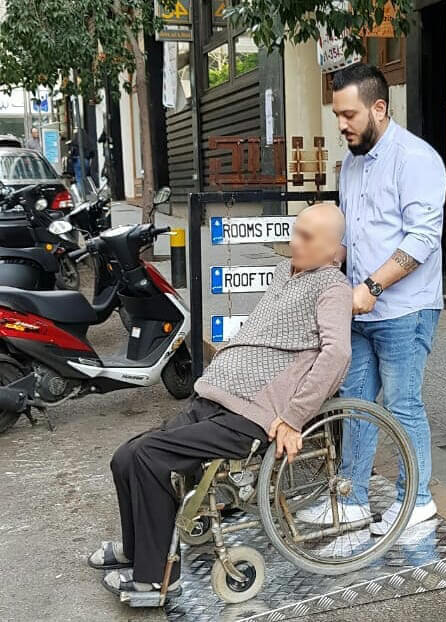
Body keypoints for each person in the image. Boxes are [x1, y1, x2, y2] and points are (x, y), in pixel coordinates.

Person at [89, 203, 352, 599]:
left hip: (251, 415)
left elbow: (337, 356)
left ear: (333, 248)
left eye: (307, 237)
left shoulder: (332, 286)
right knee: (127, 456)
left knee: (150, 457)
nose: (294, 241)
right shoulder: (286, 271)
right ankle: (138, 549)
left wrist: (294, 419)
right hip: (217, 395)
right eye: (295, 231)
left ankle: (157, 578)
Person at [298, 64, 446, 533]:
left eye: (349, 115)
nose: (341, 124)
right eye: (337, 114)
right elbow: (358, 233)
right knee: (354, 403)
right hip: (358, 306)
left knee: (403, 405)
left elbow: (423, 240)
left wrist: (373, 287)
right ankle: (353, 499)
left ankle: (417, 501)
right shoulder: (354, 162)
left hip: (405, 309)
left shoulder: (417, 159)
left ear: (379, 108)